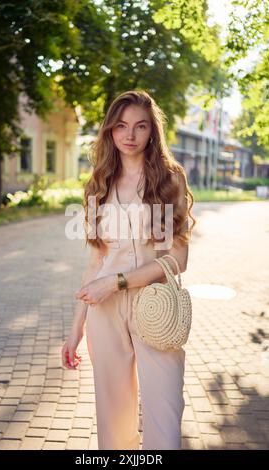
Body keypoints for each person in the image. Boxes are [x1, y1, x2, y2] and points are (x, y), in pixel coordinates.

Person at [62, 90, 196, 450]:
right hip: (102, 312)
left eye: (139, 126)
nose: (129, 135)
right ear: (109, 131)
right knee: (113, 421)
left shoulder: (169, 181)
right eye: (120, 126)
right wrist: (75, 329)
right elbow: (96, 262)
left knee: (164, 417)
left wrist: (117, 282)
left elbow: (177, 260)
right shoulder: (99, 184)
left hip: (156, 307)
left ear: (152, 131)